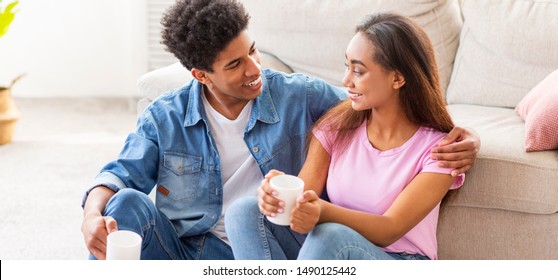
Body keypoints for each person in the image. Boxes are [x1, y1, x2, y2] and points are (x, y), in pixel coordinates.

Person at [80, 0, 478, 260]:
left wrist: (467, 135)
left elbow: (376, 103)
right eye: (235, 65)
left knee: (323, 236)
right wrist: (90, 216)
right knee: (126, 203)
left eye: (252, 51)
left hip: (263, 252)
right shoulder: (164, 117)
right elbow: (118, 174)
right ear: (202, 75)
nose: (255, 70)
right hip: (186, 250)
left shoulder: (299, 96)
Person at [226, 12, 467, 260]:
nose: (345, 81)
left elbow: (390, 229)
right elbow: (301, 197)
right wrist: (276, 196)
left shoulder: (439, 150)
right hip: (329, 251)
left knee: (331, 236)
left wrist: (322, 211)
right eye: (346, 67)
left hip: (398, 259)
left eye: (358, 71)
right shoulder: (336, 127)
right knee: (244, 211)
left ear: (397, 78)